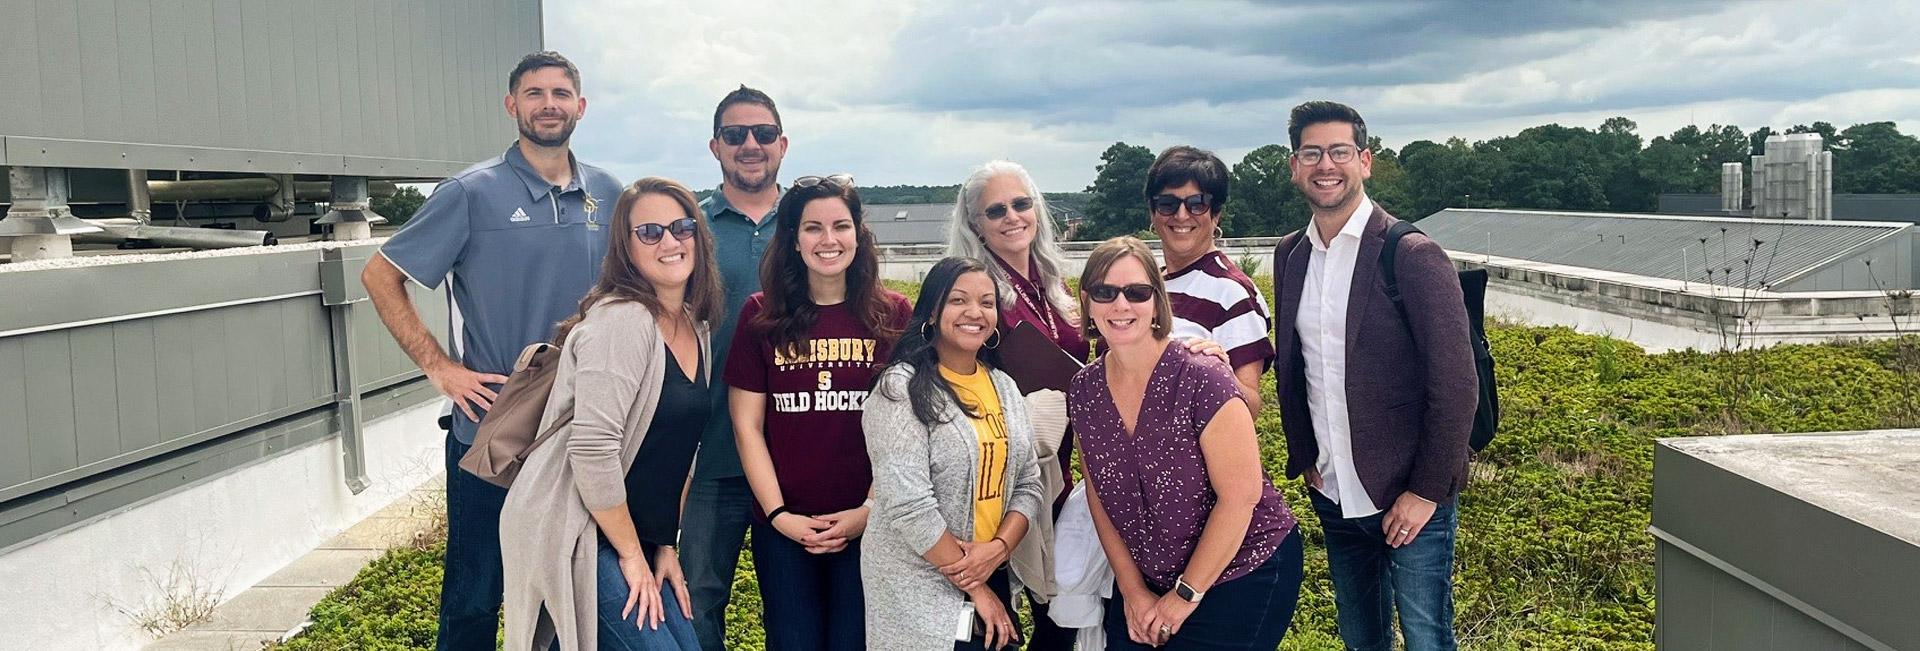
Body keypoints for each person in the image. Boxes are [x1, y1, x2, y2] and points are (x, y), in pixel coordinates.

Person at [360, 50, 623, 650]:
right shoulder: (469, 193)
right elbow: (380, 275)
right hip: (491, 427)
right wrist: (439, 367)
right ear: (513, 106)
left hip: (582, 428)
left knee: (572, 589)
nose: (548, 104)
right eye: (535, 93)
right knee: (477, 595)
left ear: (580, 107)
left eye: (561, 93)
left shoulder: (610, 195)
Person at [1273, 101, 1478, 651]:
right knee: (1361, 637)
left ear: (1364, 161)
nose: (1326, 165)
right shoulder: (1290, 254)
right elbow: (1297, 368)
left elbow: (1457, 387)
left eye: (1339, 151)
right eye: (1311, 153)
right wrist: (1308, 461)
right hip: (1335, 491)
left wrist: (1426, 491)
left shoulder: (1409, 254)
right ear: (1295, 166)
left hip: (1406, 496)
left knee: (1427, 637)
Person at [498, 177, 724, 650]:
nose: (669, 241)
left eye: (682, 227)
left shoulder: (694, 324)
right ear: (625, 247)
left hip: (633, 530)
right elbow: (593, 450)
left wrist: (663, 545)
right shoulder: (623, 320)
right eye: (650, 232)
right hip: (577, 527)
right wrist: (630, 556)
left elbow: (679, 451)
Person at [1070, 237, 1303, 649]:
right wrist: (1132, 590)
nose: (1120, 306)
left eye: (1137, 292)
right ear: (1087, 300)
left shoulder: (1201, 377)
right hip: (1150, 576)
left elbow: (1241, 496)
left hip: (1242, 568)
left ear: (1157, 301)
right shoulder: (1085, 390)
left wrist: (1184, 597)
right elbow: (1098, 495)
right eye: (1105, 292)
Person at [725, 174, 912, 649]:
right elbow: (747, 426)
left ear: (858, 234)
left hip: (870, 525)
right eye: (812, 228)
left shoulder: (893, 315)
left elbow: (906, 430)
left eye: (840, 226)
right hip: (785, 528)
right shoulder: (760, 315)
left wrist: (867, 510)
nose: (828, 240)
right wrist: (779, 515)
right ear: (792, 239)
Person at [862, 257, 1046, 651]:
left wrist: (997, 550)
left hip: (991, 568)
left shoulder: (1004, 387)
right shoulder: (899, 389)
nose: (975, 313)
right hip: (919, 587)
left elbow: (1028, 483)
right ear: (931, 310)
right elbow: (909, 503)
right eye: (958, 300)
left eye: (987, 302)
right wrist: (976, 586)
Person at [943, 160, 1078, 649]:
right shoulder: (976, 290)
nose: (1011, 217)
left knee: (1059, 611)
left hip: (1055, 469)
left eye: (1021, 204)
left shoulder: (1053, 283)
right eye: (995, 210)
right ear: (975, 224)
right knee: (999, 621)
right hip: (998, 478)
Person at [683, 85, 789, 651]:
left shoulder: (812, 227)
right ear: (715, 146)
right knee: (699, 600)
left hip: (802, 451)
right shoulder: (686, 230)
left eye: (763, 133)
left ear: (783, 144)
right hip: (709, 452)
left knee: (799, 603)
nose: (750, 144)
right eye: (735, 134)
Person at [1143, 145, 1274, 414]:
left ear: (1216, 214)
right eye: (1168, 204)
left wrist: (1217, 373)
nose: (1181, 216)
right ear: (1153, 213)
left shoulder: (1232, 293)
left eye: (1196, 204)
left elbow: (1250, 407)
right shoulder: (1146, 284)